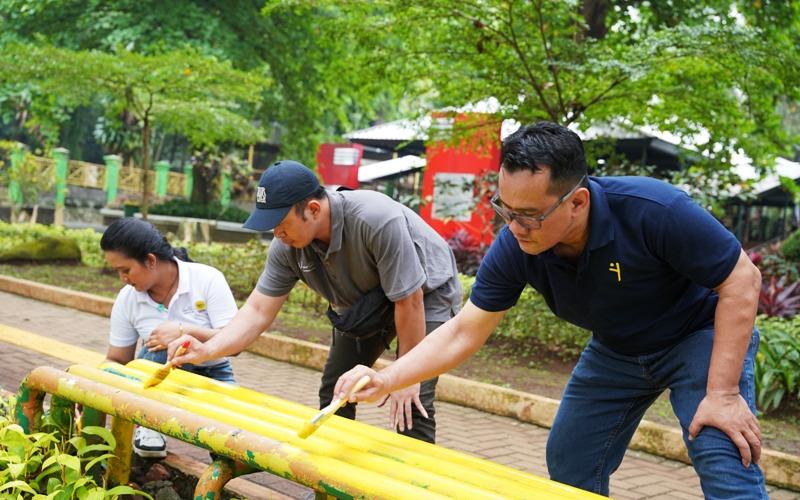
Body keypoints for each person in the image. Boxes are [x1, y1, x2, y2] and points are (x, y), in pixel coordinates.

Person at [334, 122, 766, 498]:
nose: (515, 226)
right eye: (504, 209)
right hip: (618, 348)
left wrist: (723, 394)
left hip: (696, 335)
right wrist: (387, 376)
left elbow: (742, 279)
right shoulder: (517, 245)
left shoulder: (654, 210)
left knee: (722, 450)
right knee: (570, 461)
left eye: (529, 214)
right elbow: (466, 330)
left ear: (577, 202)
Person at [167, 160, 462, 443]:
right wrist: (207, 349)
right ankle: (331, 487)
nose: (276, 234)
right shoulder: (286, 247)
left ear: (313, 209)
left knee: (412, 399)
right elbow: (257, 311)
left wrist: (405, 377)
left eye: (281, 223)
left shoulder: (375, 219)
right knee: (337, 389)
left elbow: (409, 300)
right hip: (364, 302)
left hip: (426, 291)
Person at [101, 217, 238, 458]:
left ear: (151, 260)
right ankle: (149, 422)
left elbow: (235, 342)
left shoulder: (207, 279)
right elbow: (117, 359)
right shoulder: (128, 298)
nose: (123, 278)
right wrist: (92, 382)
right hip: (158, 380)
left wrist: (185, 330)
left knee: (230, 450)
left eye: (126, 270)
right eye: (118, 272)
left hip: (213, 374)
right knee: (160, 343)